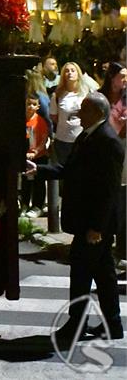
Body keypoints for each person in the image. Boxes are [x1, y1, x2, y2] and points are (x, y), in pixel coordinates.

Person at [27, 93, 124, 342]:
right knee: (104, 274)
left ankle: (77, 325)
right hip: (88, 221)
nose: (78, 113)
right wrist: (39, 170)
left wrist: (97, 227)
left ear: (97, 113)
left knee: (81, 272)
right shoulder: (87, 137)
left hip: (94, 224)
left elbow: (108, 190)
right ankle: (112, 324)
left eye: (83, 109)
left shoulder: (107, 142)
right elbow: (69, 170)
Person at [99, 62, 127, 265]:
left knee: (123, 197)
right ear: (112, 77)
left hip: (123, 150)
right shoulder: (101, 98)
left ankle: (121, 247)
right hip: (104, 151)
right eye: (122, 76)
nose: (125, 80)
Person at [50, 61, 88, 165]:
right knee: (64, 173)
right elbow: (54, 116)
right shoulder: (57, 95)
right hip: (63, 140)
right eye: (66, 71)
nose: (70, 73)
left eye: (73, 70)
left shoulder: (86, 93)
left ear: (78, 73)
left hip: (82, 140)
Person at [21, 95, 50, 217]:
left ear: (38, 106)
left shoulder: (40, 121)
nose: (30, 107)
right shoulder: (22, 120)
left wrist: (36, 152)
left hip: (39, 157)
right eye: (28, 104)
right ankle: (24, 204)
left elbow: (44, 139)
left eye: (34, 104)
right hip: (25, 157)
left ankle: (38, 205)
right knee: (25, 182)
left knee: (39, 182)